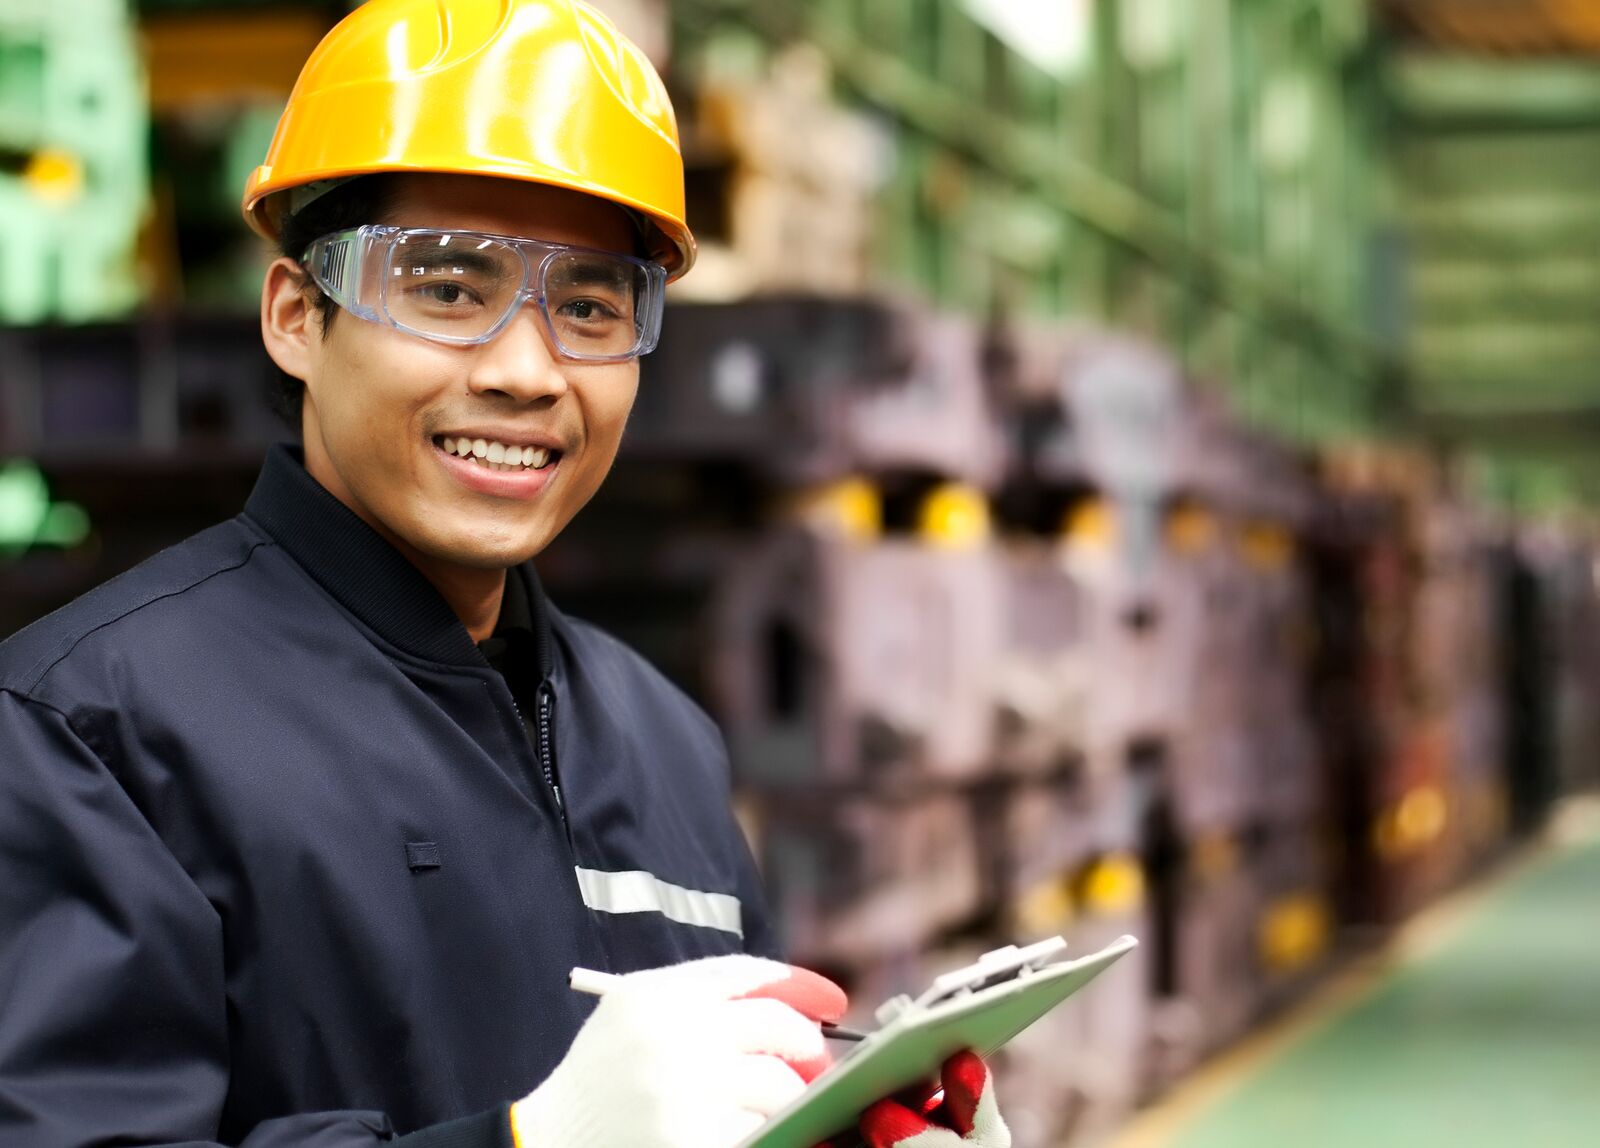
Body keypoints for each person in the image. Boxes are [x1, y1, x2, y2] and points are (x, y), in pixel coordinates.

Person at [0, 2, 1011, 1147]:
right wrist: (526, 1140)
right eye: (446, 287)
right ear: (295, 316)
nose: (528, 371)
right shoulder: (86, 735)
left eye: (587, 306)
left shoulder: (662, 740)